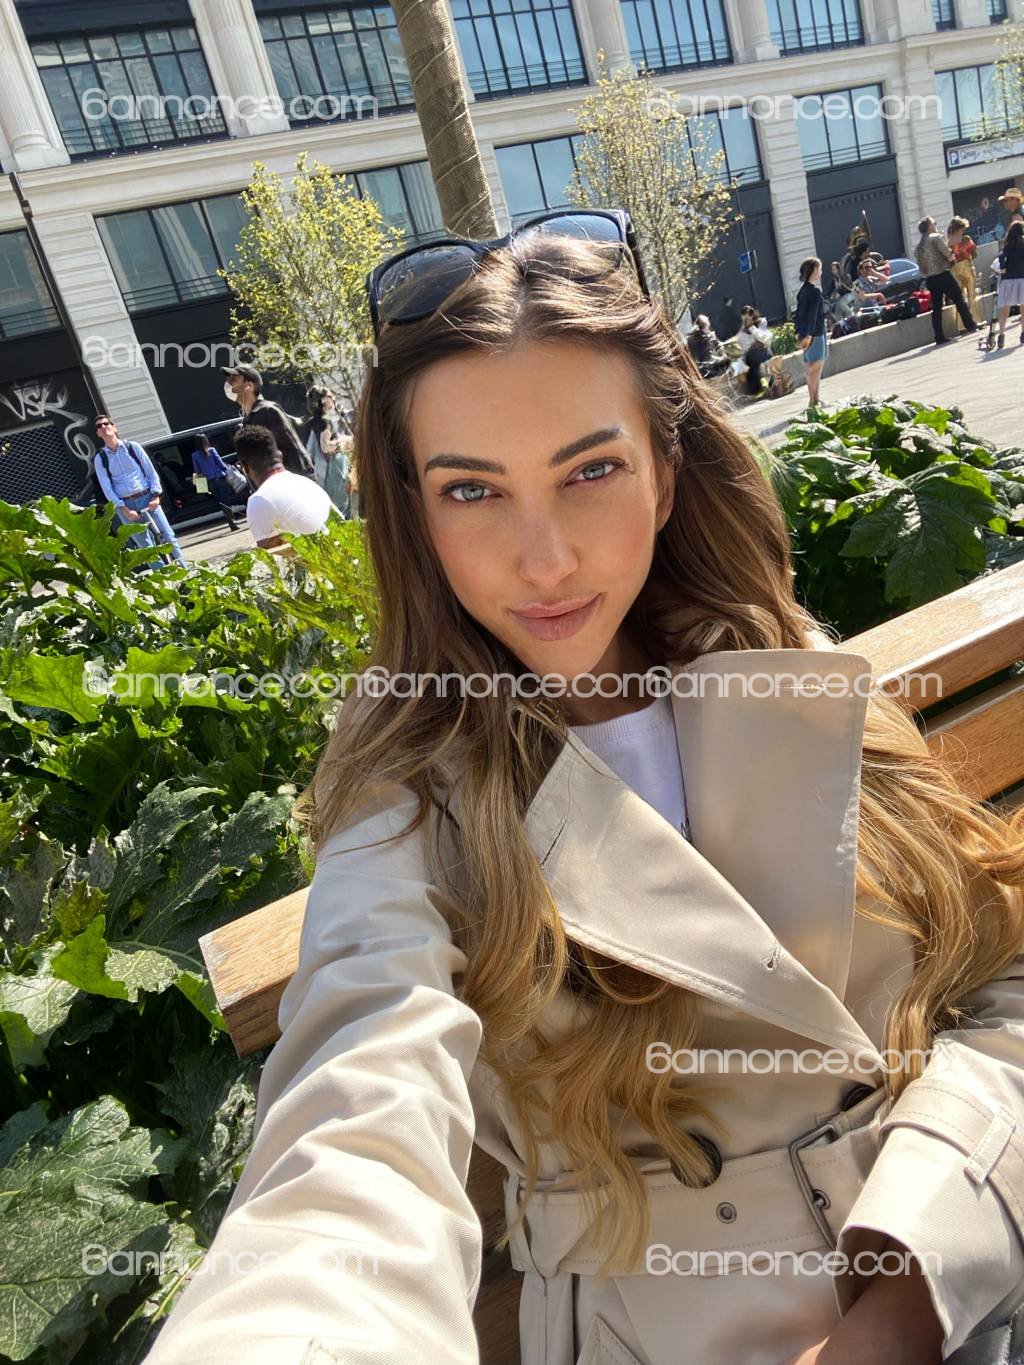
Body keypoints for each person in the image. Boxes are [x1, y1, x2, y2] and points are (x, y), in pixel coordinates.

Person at [144, 209, 1024, 1365]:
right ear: (412, 510)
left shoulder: (773, 655)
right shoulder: (409, 789)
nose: (546, 557)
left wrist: (903, 1301)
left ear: (665, 470)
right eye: (472, 491)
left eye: (591, 470)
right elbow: (354, 1132)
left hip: (965, 1273)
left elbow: (997, 986)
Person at [91, 415, 187, 568]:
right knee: (145, 547)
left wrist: (156, 496)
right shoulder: (100, 459)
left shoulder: (132, 447)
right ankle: (162, 577)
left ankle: (184, 570)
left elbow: (151, 473)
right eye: (99, 426)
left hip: (147, 498)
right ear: (98, 433)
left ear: (114, 427)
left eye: (106, 423)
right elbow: (106, 488)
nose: (103, 427)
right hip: (125, 505)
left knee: (168, 536)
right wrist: (124, 509)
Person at [234, 424, 331, 549]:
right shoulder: (305, 483)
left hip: (322, 557)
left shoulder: (259, 500)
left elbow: (270, 553)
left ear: (245, 468)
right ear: (280, 456)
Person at [222, 364, 315, 477]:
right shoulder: (248, 420)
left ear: (249, 385)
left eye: (233, 380)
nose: (228, 384)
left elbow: (291, 450)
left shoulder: (267, 411)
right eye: (227, 380)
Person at [914, 216, 979, 345]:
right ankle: (970, 325)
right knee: (959, 299)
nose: (935, 225)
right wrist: (952, 257)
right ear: (929, 226)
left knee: (937, 308)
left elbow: (921, 266)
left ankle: (939, 336)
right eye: (934, 223)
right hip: (943, 275)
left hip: (930, 279)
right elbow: (948, 255)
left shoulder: (919, 246)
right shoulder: (936, 238)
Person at [304, 386, 352, 516]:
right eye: (330, 396)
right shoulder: (325, 421)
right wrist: (343, 441)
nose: (333, 398)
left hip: (320, 473)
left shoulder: (311, 422)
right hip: (331, 472)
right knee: (342, 509)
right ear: (323, 400)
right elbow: (325, 447)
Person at [191, 431, 241, 531]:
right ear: (205, 440)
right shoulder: (212, 450)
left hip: (210, 482)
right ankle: (232, 522)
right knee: (226, 500)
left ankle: (230, 521)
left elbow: (197, 471)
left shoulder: (194, 455)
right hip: (220, 478)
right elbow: (221, 464)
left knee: (221, 502)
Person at [795, 256, 828, 408]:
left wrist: (800, 333)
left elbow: (799, 315)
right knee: (815, 367)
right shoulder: (814, 291)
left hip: (810, 333)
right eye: (819, 269)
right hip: (815, 333)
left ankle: (816, 400)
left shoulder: (803, 291)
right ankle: (813, 400)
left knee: (816, 367)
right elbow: (812, 315)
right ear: (814, 270)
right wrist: (809, 335)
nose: (821, 272)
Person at [993, 219, 1024, 348]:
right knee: (1023, 308)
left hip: (1008, 280)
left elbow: (1001, 260)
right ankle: (1023, 334)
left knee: (1005, 309)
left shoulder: (1007, 245)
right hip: (1022, 278)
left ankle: (1001, 335)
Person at [947, 216, 980, 333]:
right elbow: (974, 253)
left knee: (960, 299)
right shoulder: (966, 239)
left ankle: (961, 326)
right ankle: (975, 320)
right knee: (972, 295)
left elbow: (948, 260)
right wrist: (967, 255)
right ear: (960, 228)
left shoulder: (948, 242)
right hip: (967, 268)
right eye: (963, 228)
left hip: (954, 271)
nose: (964, 230)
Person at [734, 303, 773, 395]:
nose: (747, 322)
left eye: (748, 318)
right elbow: (744, 351)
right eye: (745, 320)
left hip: (764, 352)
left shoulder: (761, 323)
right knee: (753, 360)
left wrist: (752, 328)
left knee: (758, 355)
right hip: (752, 357)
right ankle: (762, 388)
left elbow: (765, 339)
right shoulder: (741, 334)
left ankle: (766, 387)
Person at [685, 314, 729, 379]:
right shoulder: (709, 337)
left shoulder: (690, 338)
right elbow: (719, 347)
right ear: (706, 326)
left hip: (692, 367)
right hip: (702, 370)